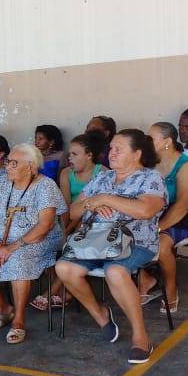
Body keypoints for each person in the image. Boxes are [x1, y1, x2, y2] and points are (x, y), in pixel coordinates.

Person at [54, 129, 167, 365]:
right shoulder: (102, 178)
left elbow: (145, 210)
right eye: (111, 148)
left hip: (135, 242)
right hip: (95, 240)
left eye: (119, 149)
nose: (111, 153)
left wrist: (105, 199)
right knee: (64, 268)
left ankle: (140, 337)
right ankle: (101, 315)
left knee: (115, 270)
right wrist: (90, 204)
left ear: (137, 154)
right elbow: (73, 211)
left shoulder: (150, 178)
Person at [0, 144, 67, 344]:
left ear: (30, 167)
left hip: (36, 238)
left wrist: (11, 247)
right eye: (8, 162)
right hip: (0, 239)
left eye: (13, 163)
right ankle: (3, 308)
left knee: (18, 261)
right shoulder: (3, 182)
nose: (7, 166)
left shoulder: (45, 186)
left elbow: (45, 225)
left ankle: (19, 321)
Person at [31, 132, 106, 310]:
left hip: (94, 220)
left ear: (89, 155)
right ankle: (66, 291)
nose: (69, 157)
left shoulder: (103, 173)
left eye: (74, 154)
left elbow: (94, 208)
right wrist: (63, 228)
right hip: (72, 217)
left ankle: (53, 292)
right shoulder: (66, 173)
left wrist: (70, 229)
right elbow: (66, 206)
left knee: (75, 236)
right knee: (49, 235)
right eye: (69, 153)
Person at [137, 122, 188, 314]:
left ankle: (171, 288)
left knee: (160, 245)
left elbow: (182, 205)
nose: (145, 142)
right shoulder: (149, 163)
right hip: (154, 215)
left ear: (167, 142)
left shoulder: (186, 165)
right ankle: (145, 280)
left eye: (150, 138)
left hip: (183, 219)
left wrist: (157, 227)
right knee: (124, 235)